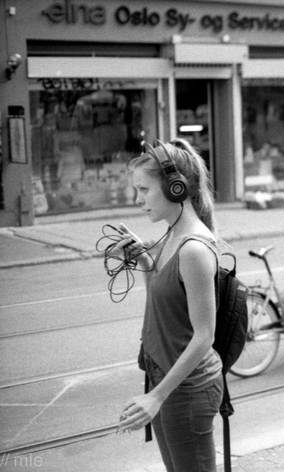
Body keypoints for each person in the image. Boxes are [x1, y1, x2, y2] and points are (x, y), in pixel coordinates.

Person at [110, 139, 222, 472]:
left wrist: (156, 396)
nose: (137, 200)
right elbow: (166, 309)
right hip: (168, 381)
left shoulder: (193, 250)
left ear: (175, 189)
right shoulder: (172, 235)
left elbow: (204, 337)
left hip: (186, 390)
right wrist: (145, 263)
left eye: (144, 190)